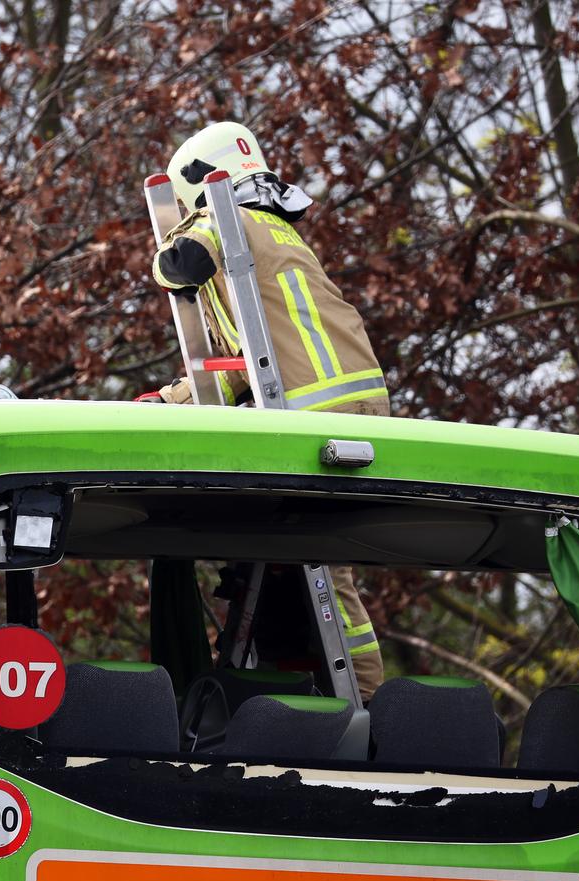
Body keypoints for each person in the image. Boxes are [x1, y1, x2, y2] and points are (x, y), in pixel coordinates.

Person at [152, 120, 388, 697]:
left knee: (324, 571)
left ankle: (369, 701)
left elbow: (182, 262)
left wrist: (164, 257)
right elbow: (251, 363)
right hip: (357, 402)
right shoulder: (276, 229)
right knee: (315, 565)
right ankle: (334, 690)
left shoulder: (225, 220)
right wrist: (171, 400)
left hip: (311, 416)